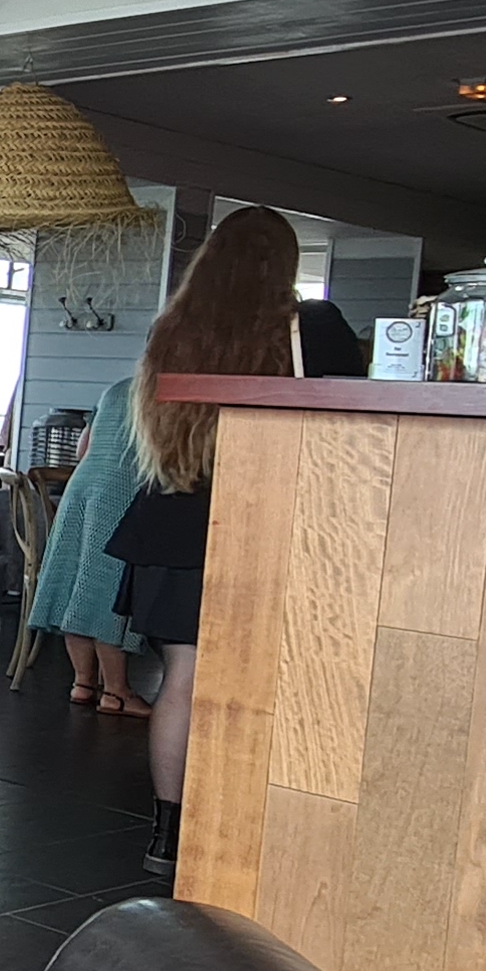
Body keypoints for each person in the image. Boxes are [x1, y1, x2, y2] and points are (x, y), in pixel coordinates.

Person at [107, 206, 305, 872]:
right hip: (255, 522)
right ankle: (235, 824)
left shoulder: (173, 329)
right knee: (257, 681)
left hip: (168, 517)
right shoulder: (296, 329)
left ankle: (169, 835)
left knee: (182, 681)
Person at [25, 381, 150, 718]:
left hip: (81, 485)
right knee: (106, 591)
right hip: (122, 486)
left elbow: (83, 449)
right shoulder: (163, 390)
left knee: (74, 585)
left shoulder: (116, 390)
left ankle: (82, 683)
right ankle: (116, 692)